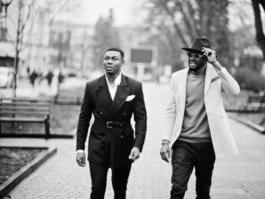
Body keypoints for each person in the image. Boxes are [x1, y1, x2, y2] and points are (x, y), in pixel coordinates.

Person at [160, 37, 240, 199]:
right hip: (183, 144)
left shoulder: (216, 77)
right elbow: (171, 111)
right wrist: (165, 141)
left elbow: (234, 90)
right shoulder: (177, 77)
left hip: (206, 146)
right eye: (190, 54)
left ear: (206, 57)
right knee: (177, 189)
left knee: (203, 192)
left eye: (197, 55)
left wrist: (216, 64)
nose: (192, 58)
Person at [76, 48, 147, 199]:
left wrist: (137, 145)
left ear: (122, 62)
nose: (109, 61)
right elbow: (84, 118)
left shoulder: (134, 86)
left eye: (114, 58)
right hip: (98, 143)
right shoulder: (92, 86)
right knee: (97, 188)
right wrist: (80, 148)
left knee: (120, 189)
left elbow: (141, 118)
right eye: (106, 58)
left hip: (123, 143)